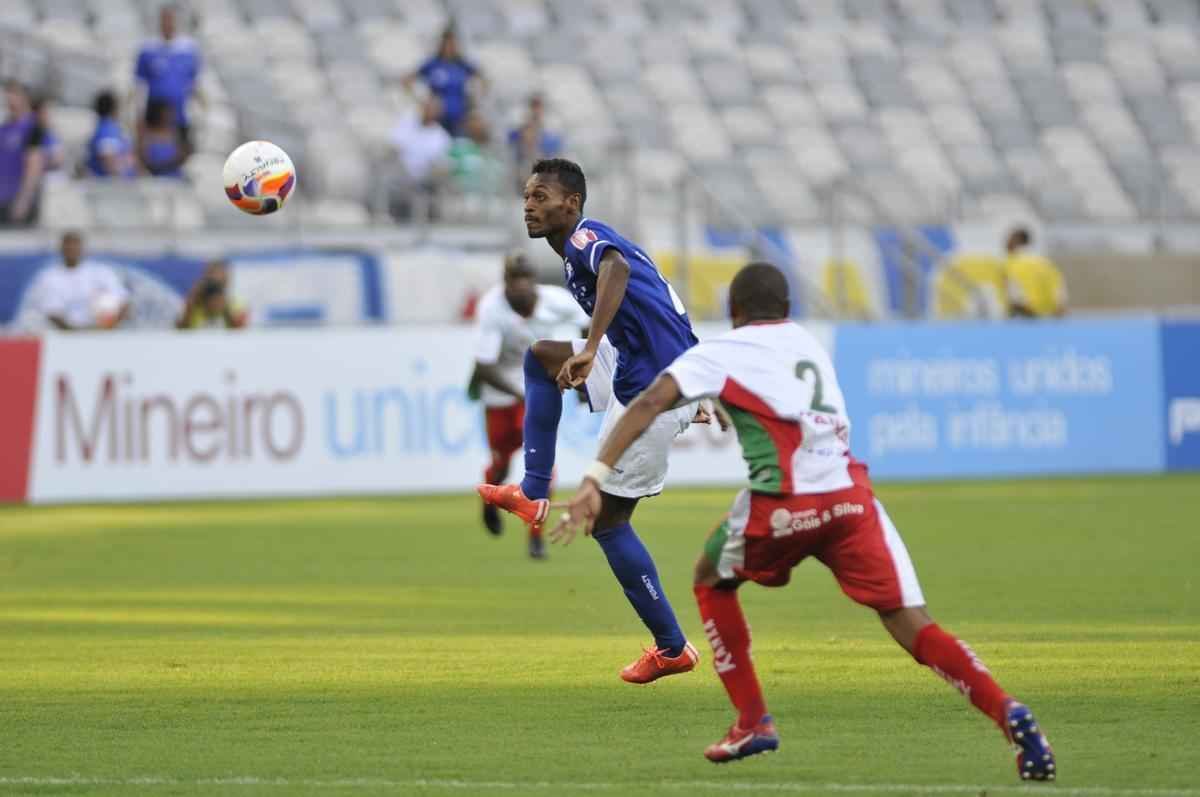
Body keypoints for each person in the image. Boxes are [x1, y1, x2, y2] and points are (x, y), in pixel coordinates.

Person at [552, 262, 1057, 780]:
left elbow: (652, 400)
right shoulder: (809, 345)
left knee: (710, 580)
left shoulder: (720, 352)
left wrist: (595, 476)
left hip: (786, 502)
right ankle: (1007, 711)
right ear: (788, 310)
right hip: (853, 501)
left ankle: (752, 721)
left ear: (733, 312)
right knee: (913, 624)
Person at [478, 158, 710, 684]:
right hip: (642, 363)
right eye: (527, 197)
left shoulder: (586, 240)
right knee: (541, 357)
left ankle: (672, 648)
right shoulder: (572, 253)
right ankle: (534, 492)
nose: (529, 206)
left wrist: (592, 345)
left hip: (654, 382)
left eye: (540, 197)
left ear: (572, 203)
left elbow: (618, 271)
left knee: (607, 521)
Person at [470, 251, 589, 556]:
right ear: (505, 283)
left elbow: (588, 324)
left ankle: (535, 538)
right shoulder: (491, 308)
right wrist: (519, 393)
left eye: (525, 279)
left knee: (542, 465)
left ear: (534, 282)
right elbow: (484, 367)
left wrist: (584, 367)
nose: (520, 286)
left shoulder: (556, 300)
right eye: (514, 280)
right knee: (501, 463)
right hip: (500, 395)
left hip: (535, 387)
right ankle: (490, 501)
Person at [27, 231, 130, 331]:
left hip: (104, 333)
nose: (72, 249)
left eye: (75, 245)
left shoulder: (101, 272)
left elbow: (123, 301)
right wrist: (77, 333)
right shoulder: (49, 277)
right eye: (68, 245)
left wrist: (108, 327)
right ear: (61, 249)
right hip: (66, 335)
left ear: (82, 248)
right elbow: (52, 312)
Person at [135, 3, 201, 147]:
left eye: (171, 19)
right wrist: (138, 113)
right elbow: (139, 85)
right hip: (154, 116)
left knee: (180, 152)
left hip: (180, 115)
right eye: (165, 19)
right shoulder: (148, 49)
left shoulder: (188, 49)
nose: (168, 23)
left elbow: (195, 83)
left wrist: (198, 109)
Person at [403, 27, 484, 136]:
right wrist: (421, 102)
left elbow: (482, 79)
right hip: (438, 119)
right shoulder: (433, 64)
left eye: (452, 44)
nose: (449, 48)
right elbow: (408, 80)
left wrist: (474, 102)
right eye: (446, 44)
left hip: (459, 118)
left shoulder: (462, 64)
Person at [391, 95, 452, 219]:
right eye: (427, 108)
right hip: (402, 177)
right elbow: (394, 147)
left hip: (427, 181)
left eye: (434, 109)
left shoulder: (441, 136)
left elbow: (441, 162)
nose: (430, 111)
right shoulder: (405, 126)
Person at [0, 81, 45, 227]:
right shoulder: (5, 128)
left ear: (25, 98)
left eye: (14, 94)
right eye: (8, 94)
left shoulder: (33, 128)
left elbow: (34, 166)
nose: (10, 99)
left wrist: (24, 199)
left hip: (18, 202)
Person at [1004, 227, 1067, 318]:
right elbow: (1058, 285)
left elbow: (1012, 289)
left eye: (1009, 239)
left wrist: (1017, 307)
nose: (1007, 243)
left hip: (1026, 313)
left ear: (1016, 242)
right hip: (1050, 314)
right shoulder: (1045, 262)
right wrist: (1060, 305)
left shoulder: (1012, 263)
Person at [176, 260, 247, 329]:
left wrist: (226, 310)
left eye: (220, 274)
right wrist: (191, 303)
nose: (216, 278)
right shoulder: (194, 306)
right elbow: (180, 329)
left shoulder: (236, 305)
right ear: (204, 276)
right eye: (212, 274)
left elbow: (241, 332)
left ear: (227, 277)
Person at [87, 91, 137, 178]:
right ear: (113, 109)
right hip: (111, 187)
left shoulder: (113, 129)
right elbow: (109, 163)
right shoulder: (106, 131)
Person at [507, 94, 562, 172]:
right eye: (533, 107)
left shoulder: (550, 136)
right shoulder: (518, 132)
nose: (535, 111)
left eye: (538, 107)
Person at [138, 99, 188, 177]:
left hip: (174, 176)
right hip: (153, 177)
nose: (169, 117)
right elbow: (143, 158)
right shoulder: (146, 134)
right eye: (165, 113)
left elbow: (181, 156)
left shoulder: (174, 133)